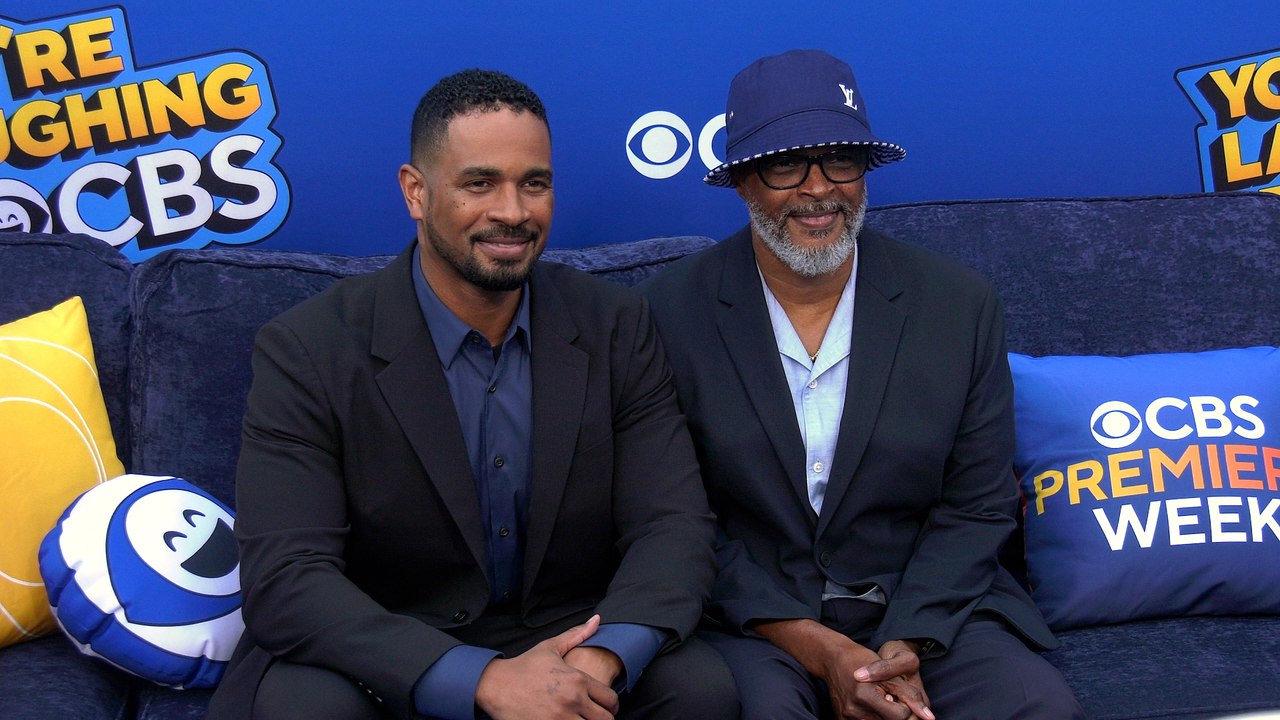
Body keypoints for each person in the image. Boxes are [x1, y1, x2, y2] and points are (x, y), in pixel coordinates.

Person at [207, 68, 736, 720]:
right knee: (306, 706)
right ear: (416, 192)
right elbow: (287, 575)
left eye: (534, 184)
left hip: (569, 634)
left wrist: (598, 662)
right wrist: (479, 679)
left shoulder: (615, 326)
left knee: (700, 687)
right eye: (479, 183)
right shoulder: (307, 348)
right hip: (394, 642)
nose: (512, 212)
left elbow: (672, 524)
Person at [639, 49, 1087, 720]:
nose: (818, 189)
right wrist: (820, 649)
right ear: (743, 182)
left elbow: (978, 506)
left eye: (840, 160)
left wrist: (904, 646)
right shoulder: (666, 313)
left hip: (928, 611)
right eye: (786, 164)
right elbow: (678, 520)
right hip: (759, 623)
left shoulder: (957, 305)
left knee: (1036, 707)